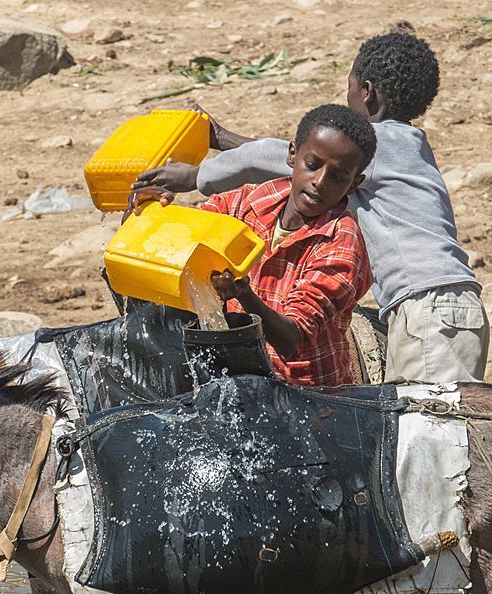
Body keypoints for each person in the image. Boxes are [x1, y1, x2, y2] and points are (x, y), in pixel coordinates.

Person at [133, 33, 489, 383]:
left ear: (366, 91)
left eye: (348, 84)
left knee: (430, 425)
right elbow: (302, 152)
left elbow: (277, 155)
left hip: (428, 309)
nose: (319, 181)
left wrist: (197, 173)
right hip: (435, 307)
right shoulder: (405, 147)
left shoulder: (379, 146)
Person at [132, 103, 376, 387]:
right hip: (241, 379)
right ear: (292, 155)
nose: (319, 182)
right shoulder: (250, 201)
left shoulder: (341, 243)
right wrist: (153, 212)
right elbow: (188, 235)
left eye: (337, 177)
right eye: (312, 165)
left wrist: (244, 295)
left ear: (353, 184)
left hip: (310, 396)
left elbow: (291, 340)